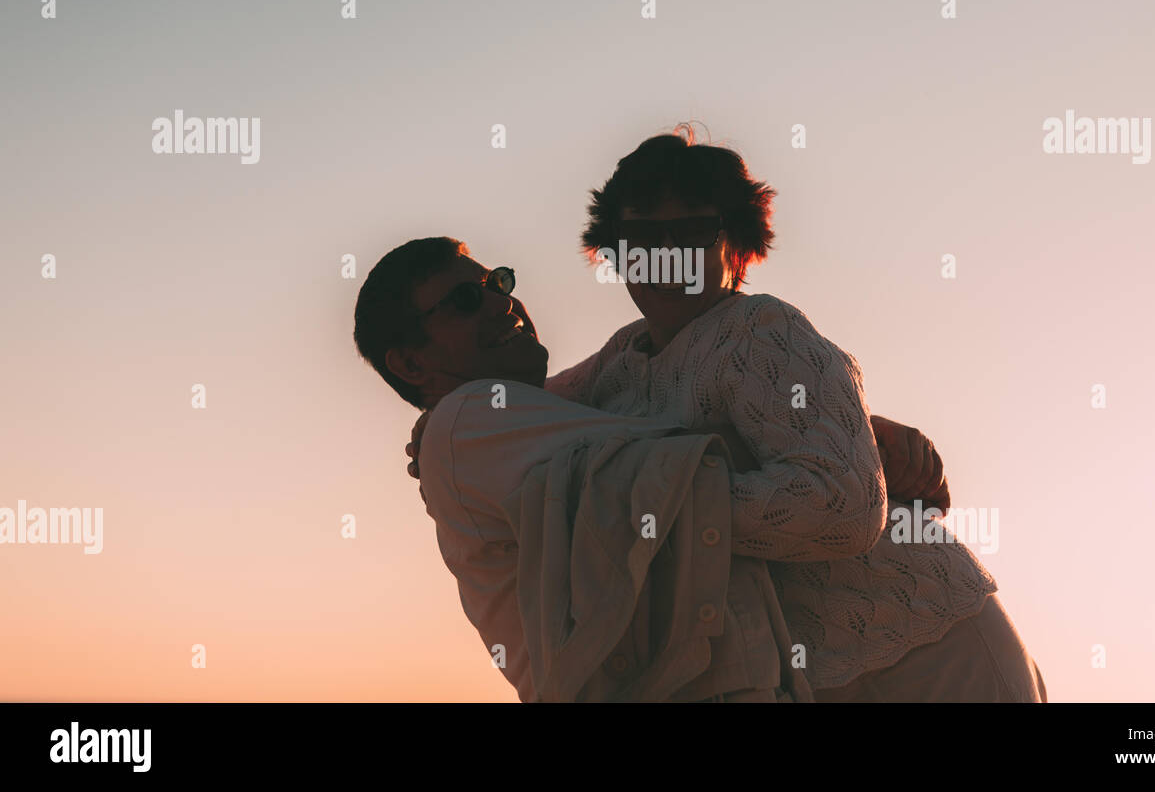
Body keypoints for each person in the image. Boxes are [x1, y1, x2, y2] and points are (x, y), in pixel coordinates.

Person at [408, 127, 1046, 702]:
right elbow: (531, 409)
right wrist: (441, 419)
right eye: (642, 236)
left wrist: (665, 511)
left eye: (692, 233)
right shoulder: (621, 362)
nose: (665, 254)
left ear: (738, 248)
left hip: (932, 646)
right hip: (823, 679)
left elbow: (843, 508)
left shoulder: (762, 330)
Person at [353, 238, 815, 701]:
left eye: (497, 282)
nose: (502, 301)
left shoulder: (505, 419)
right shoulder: (467, 418)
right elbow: (703, 460)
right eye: (466, 301)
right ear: (412, 363)